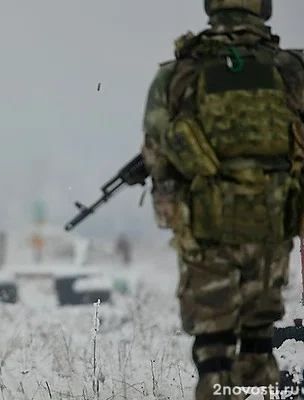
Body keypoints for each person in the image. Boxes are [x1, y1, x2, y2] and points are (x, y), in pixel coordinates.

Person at [136, 0, 304, 398]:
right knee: (260, 341)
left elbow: (157, 154)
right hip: (273, 223)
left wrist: (177, 219)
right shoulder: (291, 70)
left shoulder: (180, 73)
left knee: (214, 352)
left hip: (208, 229)